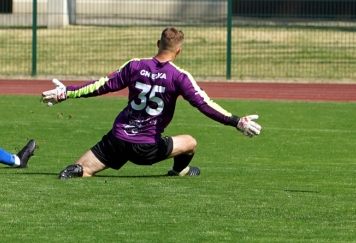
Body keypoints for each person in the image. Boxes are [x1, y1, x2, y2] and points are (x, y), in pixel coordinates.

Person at [42, 27, 262, 180]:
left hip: (117, 140)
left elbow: (102, 85)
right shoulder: (180, 77)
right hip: (146, 148)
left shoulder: (135, 65)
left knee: (81, 169)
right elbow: (205, 104)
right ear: (179, 51)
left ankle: (75, 172)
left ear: (158, 44)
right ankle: (179, 171)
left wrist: (66, 93)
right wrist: (236, 122)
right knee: (190, 142)